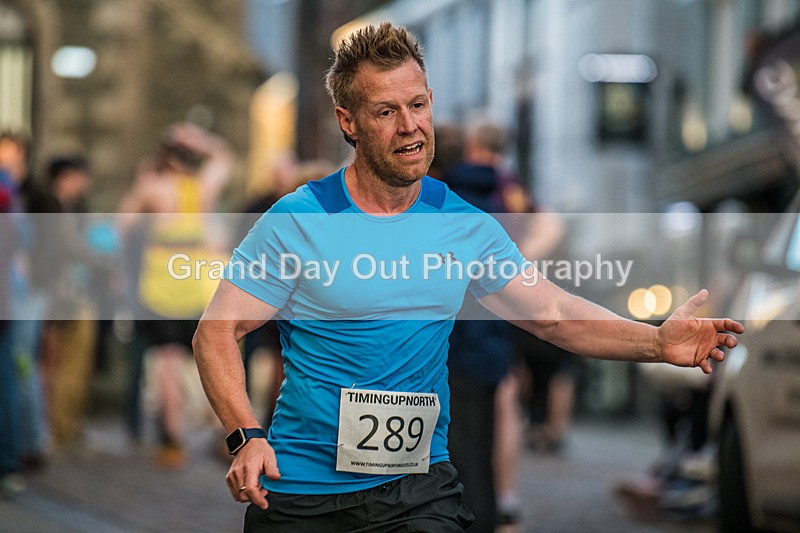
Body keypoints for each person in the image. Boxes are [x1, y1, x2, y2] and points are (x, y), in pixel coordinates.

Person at [193, 23, 743, 532]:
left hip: (417, 491)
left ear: (431, 103)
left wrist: (655, 340)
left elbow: (552, 316)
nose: (409, 126)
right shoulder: (299, 220)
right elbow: (216, 332)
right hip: (302, 493)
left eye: (417, 105)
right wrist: (245, 435)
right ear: (348, 122)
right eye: (385, 112)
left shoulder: (462, 225)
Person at [118, 122, 232, 467]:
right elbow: (224, 158)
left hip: (159, 285)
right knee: (208, 357)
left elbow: (122, 224)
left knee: (166, 361)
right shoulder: (201, 188)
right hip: (195, 283)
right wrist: (200, 139)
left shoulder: (155, 187)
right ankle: (222, 430)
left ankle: (171, 439)